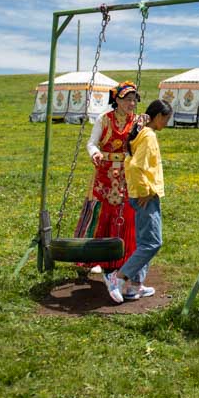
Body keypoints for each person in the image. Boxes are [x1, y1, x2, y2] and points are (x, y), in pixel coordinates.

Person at [104, 99, 172, 303]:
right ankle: (118, 277)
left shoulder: (142, 133)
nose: (166, 124)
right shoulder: (149, 136)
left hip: (143, 194)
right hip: (145, 196)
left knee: (144, 241)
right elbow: (134, 167)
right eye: (166, 119)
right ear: (158, 116)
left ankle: (135, 286)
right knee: (153, 243)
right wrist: (146, 191)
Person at [74, 81, 140, 275]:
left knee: (124, 212)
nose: (131, 104)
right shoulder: (104, 119)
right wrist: (95, 153)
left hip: (126, 174)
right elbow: (92, 143)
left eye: (133, 100)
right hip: (104, 173)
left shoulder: (137, 121)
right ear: (117, 100)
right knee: (101, 213)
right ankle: (94, 257)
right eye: (127, 99)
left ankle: (124, 255)